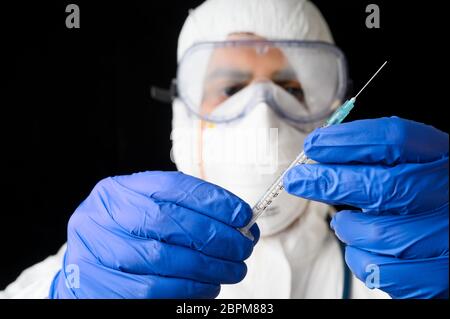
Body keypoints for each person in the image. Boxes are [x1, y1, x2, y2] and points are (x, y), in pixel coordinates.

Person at [1, 0, 448, 299]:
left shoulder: (397, 266)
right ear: (183, 114)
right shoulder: (110, 268)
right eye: (232, 87)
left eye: (291, 87)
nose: (263, 110)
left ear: (326, 113)